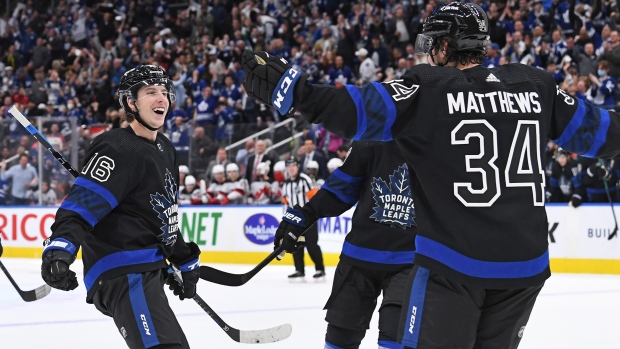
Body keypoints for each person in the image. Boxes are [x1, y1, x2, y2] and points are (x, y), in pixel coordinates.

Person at [241, 2, 620, 348]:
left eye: (433, 43)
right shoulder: (536, 85)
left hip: (454, 266)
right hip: (525, 269)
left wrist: (298, 90)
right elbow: (603, 135)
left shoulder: (429, 87)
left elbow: (353, 112)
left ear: (443, 46)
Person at [40, 65, 201, 349]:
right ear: (130, 102)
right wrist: (60, 246)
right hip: (123, 271)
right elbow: (82, 205)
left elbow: (162, 217)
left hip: (147, 268)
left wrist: (182, 259)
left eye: (164, 92)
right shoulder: (117, 147)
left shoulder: (165, 149)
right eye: (151, 92)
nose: (161, 98)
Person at [274, 141, 416, 349]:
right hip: (359, 258)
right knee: (338, 340)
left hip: (411, 261)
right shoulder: (372, 133)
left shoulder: (436, 136)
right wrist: (306, 215)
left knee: (396, 340)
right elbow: (342, 188)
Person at [280, 157, 324, 280]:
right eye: (289, 166)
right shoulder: (286, 184)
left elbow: (315, 197)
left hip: (309, 219)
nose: (291, 168)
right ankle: (299, 270)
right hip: (295, 221)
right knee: (295, 245)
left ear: (298, 167)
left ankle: (320, 269)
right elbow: (285, 203)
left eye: (293, 165)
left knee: (311, 245)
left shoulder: (305, 180)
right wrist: (286, 220)